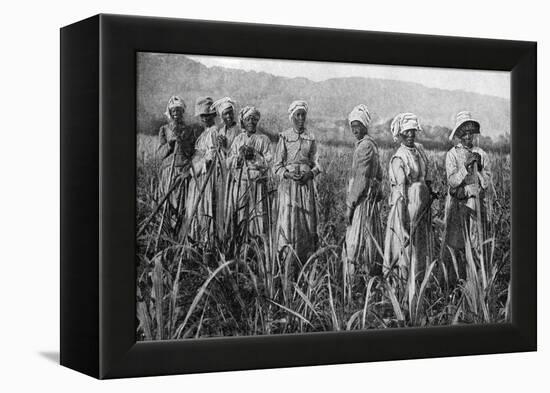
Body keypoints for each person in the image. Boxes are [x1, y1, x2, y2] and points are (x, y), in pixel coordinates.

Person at [383, 113, 435, 288]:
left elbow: (426, 176)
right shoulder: (399, 158)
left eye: (413, 131)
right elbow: (400, 194)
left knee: (421, 249)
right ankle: (402, 289)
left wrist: (429, 191)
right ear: (400, 134)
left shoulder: (419, 150)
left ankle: (421, 285)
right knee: (406, 249)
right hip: (406, 210)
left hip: (422, 208)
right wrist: (403, 225)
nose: (411, 135)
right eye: (407, 132)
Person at [442, 111, 491, 283]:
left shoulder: (482, 154)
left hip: (477, 205)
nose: (468, 136)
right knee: (457, 244)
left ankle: (477, 282)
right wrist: (466, 167)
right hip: (458, 205)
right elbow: (453, 182)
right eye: (464, 133)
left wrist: (479, 168)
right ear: (459, 135)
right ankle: (457, 282)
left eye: (471, 132)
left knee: (477, 243)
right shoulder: (452, 154)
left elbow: (486, 184)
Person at [274, 100, 321, 273]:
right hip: (289, 188)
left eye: (303, 115)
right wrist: (287, 174)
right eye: (297, 115)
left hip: (306, 187)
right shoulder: (284, 137)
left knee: (306, 223)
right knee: (288, 221)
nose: (301, 118)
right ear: (292, 117)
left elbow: (318, 164)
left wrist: (310, 174)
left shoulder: (311, 137)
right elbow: (277, 166)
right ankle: (286, 262)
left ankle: (305, 262)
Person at [343, 104, 384, 280]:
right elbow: (379, 175)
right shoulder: (371, 145)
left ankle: (355, 284)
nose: (355, 130)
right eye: (352, 126)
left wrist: (350, 206)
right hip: (369, 202)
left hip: (362, 203)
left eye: (357, 126)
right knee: (369, 241)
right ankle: (368, 281)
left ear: (365, 126)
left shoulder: (365, 147)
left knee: (357, 243)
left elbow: (360, 179)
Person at [225, 106, 273, 240]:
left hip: (257, 183)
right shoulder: (238, 139)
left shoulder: (263, 139)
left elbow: (269, 161)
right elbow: (229, 162)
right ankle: (241, 243)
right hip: (241, 183)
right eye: (248, 119)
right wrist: (239, 158)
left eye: (254, 119)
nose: (251, 122)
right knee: (240, 213)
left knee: (257, 215)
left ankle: (256, 243)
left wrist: (255, 155)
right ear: (243, 122)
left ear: (257, 121)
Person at [186, 96, 224, 245]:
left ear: (213, 116)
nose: (204, 119)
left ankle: (206, 243)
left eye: (207, 116)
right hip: (198, 174)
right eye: (202, 116)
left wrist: (198, 166)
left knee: (205, 207)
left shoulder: (214, 132)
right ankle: (197, 242)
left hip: (206, 176)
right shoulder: (204, 133)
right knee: (196, 208)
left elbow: (211, 156)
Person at [156, 96, 197, 234]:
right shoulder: (164, 129)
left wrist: (182, 141)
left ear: (182, 112)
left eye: (179, 110)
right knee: (168, 205)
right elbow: (160, 154)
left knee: (182, 206)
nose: (176, 113)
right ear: (169, 112)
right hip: (168, 172)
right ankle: (167, 235)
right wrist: (170, 144)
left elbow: (192, 153)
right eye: (173, 110)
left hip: (183, 172)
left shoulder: (189, 130)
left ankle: (180, 235)